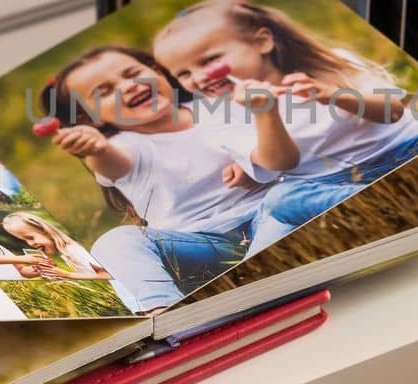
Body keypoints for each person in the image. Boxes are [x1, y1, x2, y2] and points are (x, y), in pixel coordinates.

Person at [153, 0, 418, 253]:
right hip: (333, 184)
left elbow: (392, 110)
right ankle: (377, 202)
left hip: (410, 143)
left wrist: (334, 95)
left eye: (208, 60)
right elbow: (280, 163)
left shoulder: (327, 64)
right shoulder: (214, 116)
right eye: (182, 74)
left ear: (262, 42)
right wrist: (266, 113)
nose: (198, 78)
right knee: (282, 200)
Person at [41, 44, 297, 313]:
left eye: (132, 73)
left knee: (290, 195)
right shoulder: (125, 147)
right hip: (202, 245)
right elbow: (110, 161)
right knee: (112, 243)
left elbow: (278, 149)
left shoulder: (218, 106)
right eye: (104, 92)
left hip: (271, 214)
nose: (128, 86)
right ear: (87, 117)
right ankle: (166, 313)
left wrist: (250, 159)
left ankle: (255, 279)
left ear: (158, 71)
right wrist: (96, 148)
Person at [1, 212, 110, 281]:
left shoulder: (75, 250)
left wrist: (67, 275)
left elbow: (106, 275)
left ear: (45, 231)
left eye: (31, 237)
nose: (30, 244)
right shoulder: (66, 253)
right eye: (25, 240)